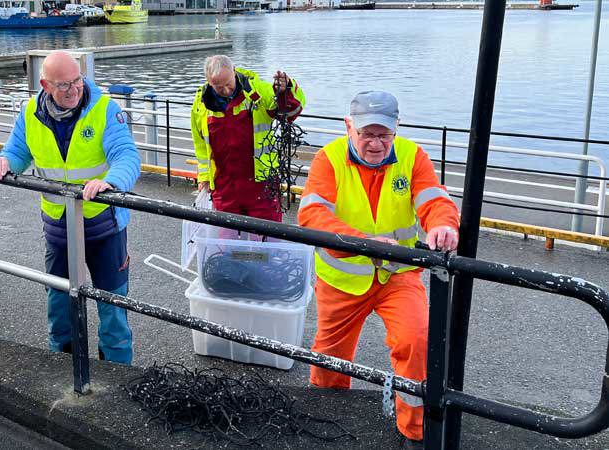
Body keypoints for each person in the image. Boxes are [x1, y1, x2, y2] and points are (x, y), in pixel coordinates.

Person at [298, 91, 459, 447]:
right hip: (342, 279)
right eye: (367, 134)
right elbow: (312, 214)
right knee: (330, 358)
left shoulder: (412, 156)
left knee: (417, 341)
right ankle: (327, 420)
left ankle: (416, 432)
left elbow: (433, 198)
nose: (375, 143)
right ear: (348, 127)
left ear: (396, 129)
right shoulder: (329, 159)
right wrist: (361, 242)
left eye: (384, 135)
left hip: (398, 276)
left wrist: (443, 224)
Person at [0, 51, 140, 364]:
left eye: (77, 82)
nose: (74, 90)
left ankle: (117, 369)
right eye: (63, 86)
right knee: (58, 303)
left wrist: (111, 182)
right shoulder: (30, 113)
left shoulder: (105, 109)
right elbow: (16, 153)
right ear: (45, 85)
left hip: (104, 224)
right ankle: (62, 363)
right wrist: (0, 161)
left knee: (112, 308)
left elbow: (127, 155)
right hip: (59, 226)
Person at [190, 55, 306, 222]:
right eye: (219, 88)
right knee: (226, 240)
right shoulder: (200, 105)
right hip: (224, 187)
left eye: (229, 84)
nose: (227, 91)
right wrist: (204, 177)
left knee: (267, 238)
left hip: (262, 185)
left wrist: (286, 89)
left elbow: (291, 112)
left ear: (234, 71)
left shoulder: (257, 90)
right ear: (209, 82)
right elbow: (200, 146)